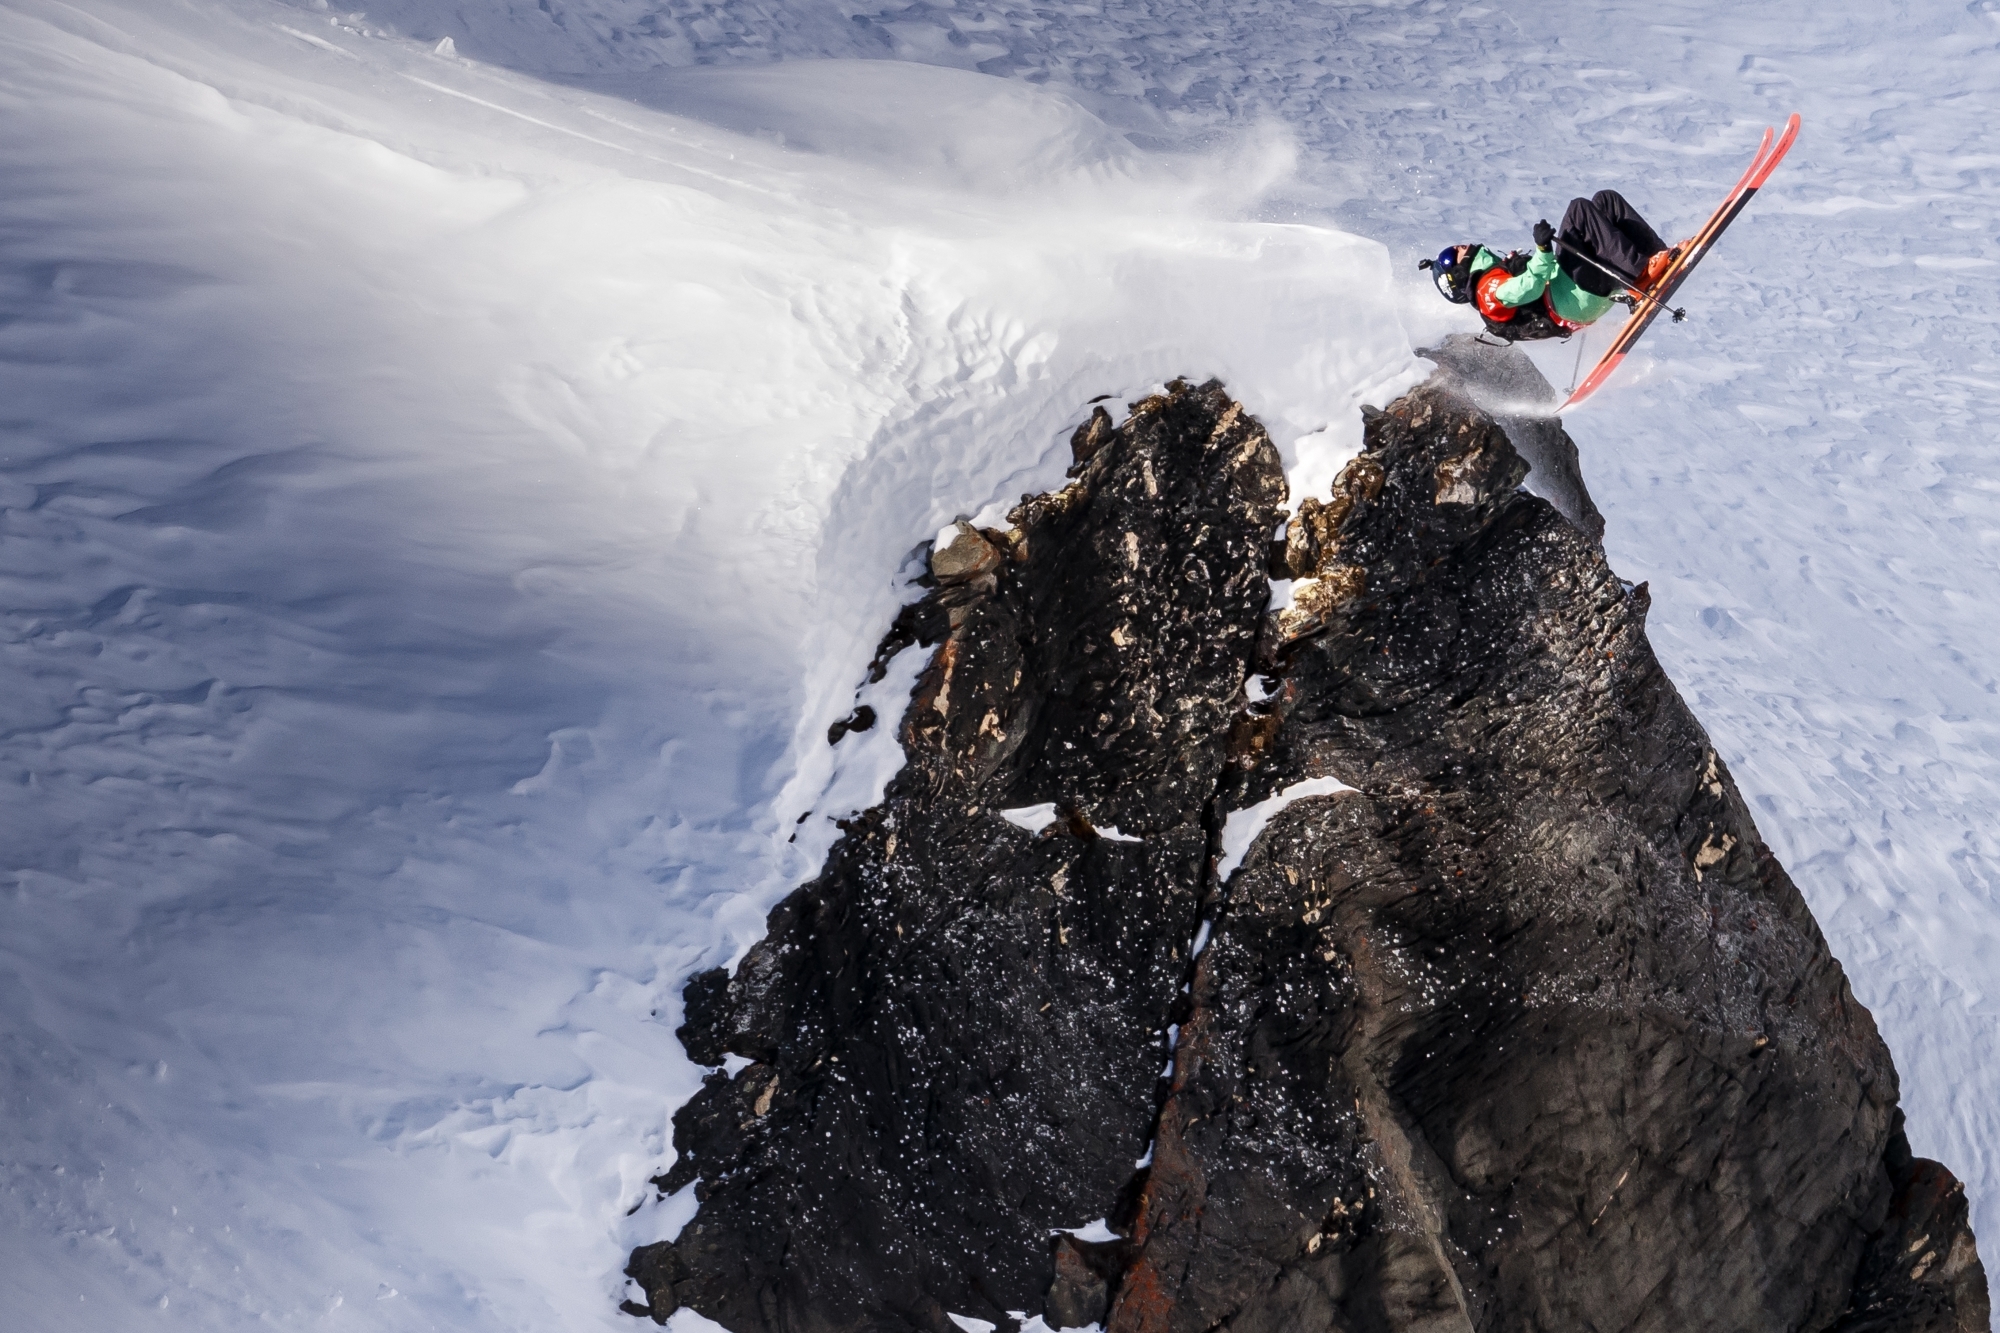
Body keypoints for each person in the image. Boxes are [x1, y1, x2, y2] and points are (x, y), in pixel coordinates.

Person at [1419, 190, 1681, 342]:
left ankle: (1658, 258)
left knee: (1605, 202)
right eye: (1454, 253)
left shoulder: (1494, 272)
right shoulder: (1487, 290)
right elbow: (1528, 288)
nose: (1461, 246)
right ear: (1459, 272)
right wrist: (1543, 249)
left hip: (1579, 294)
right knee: (1579, 210)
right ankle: (1639, 277)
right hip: (1570, 300)